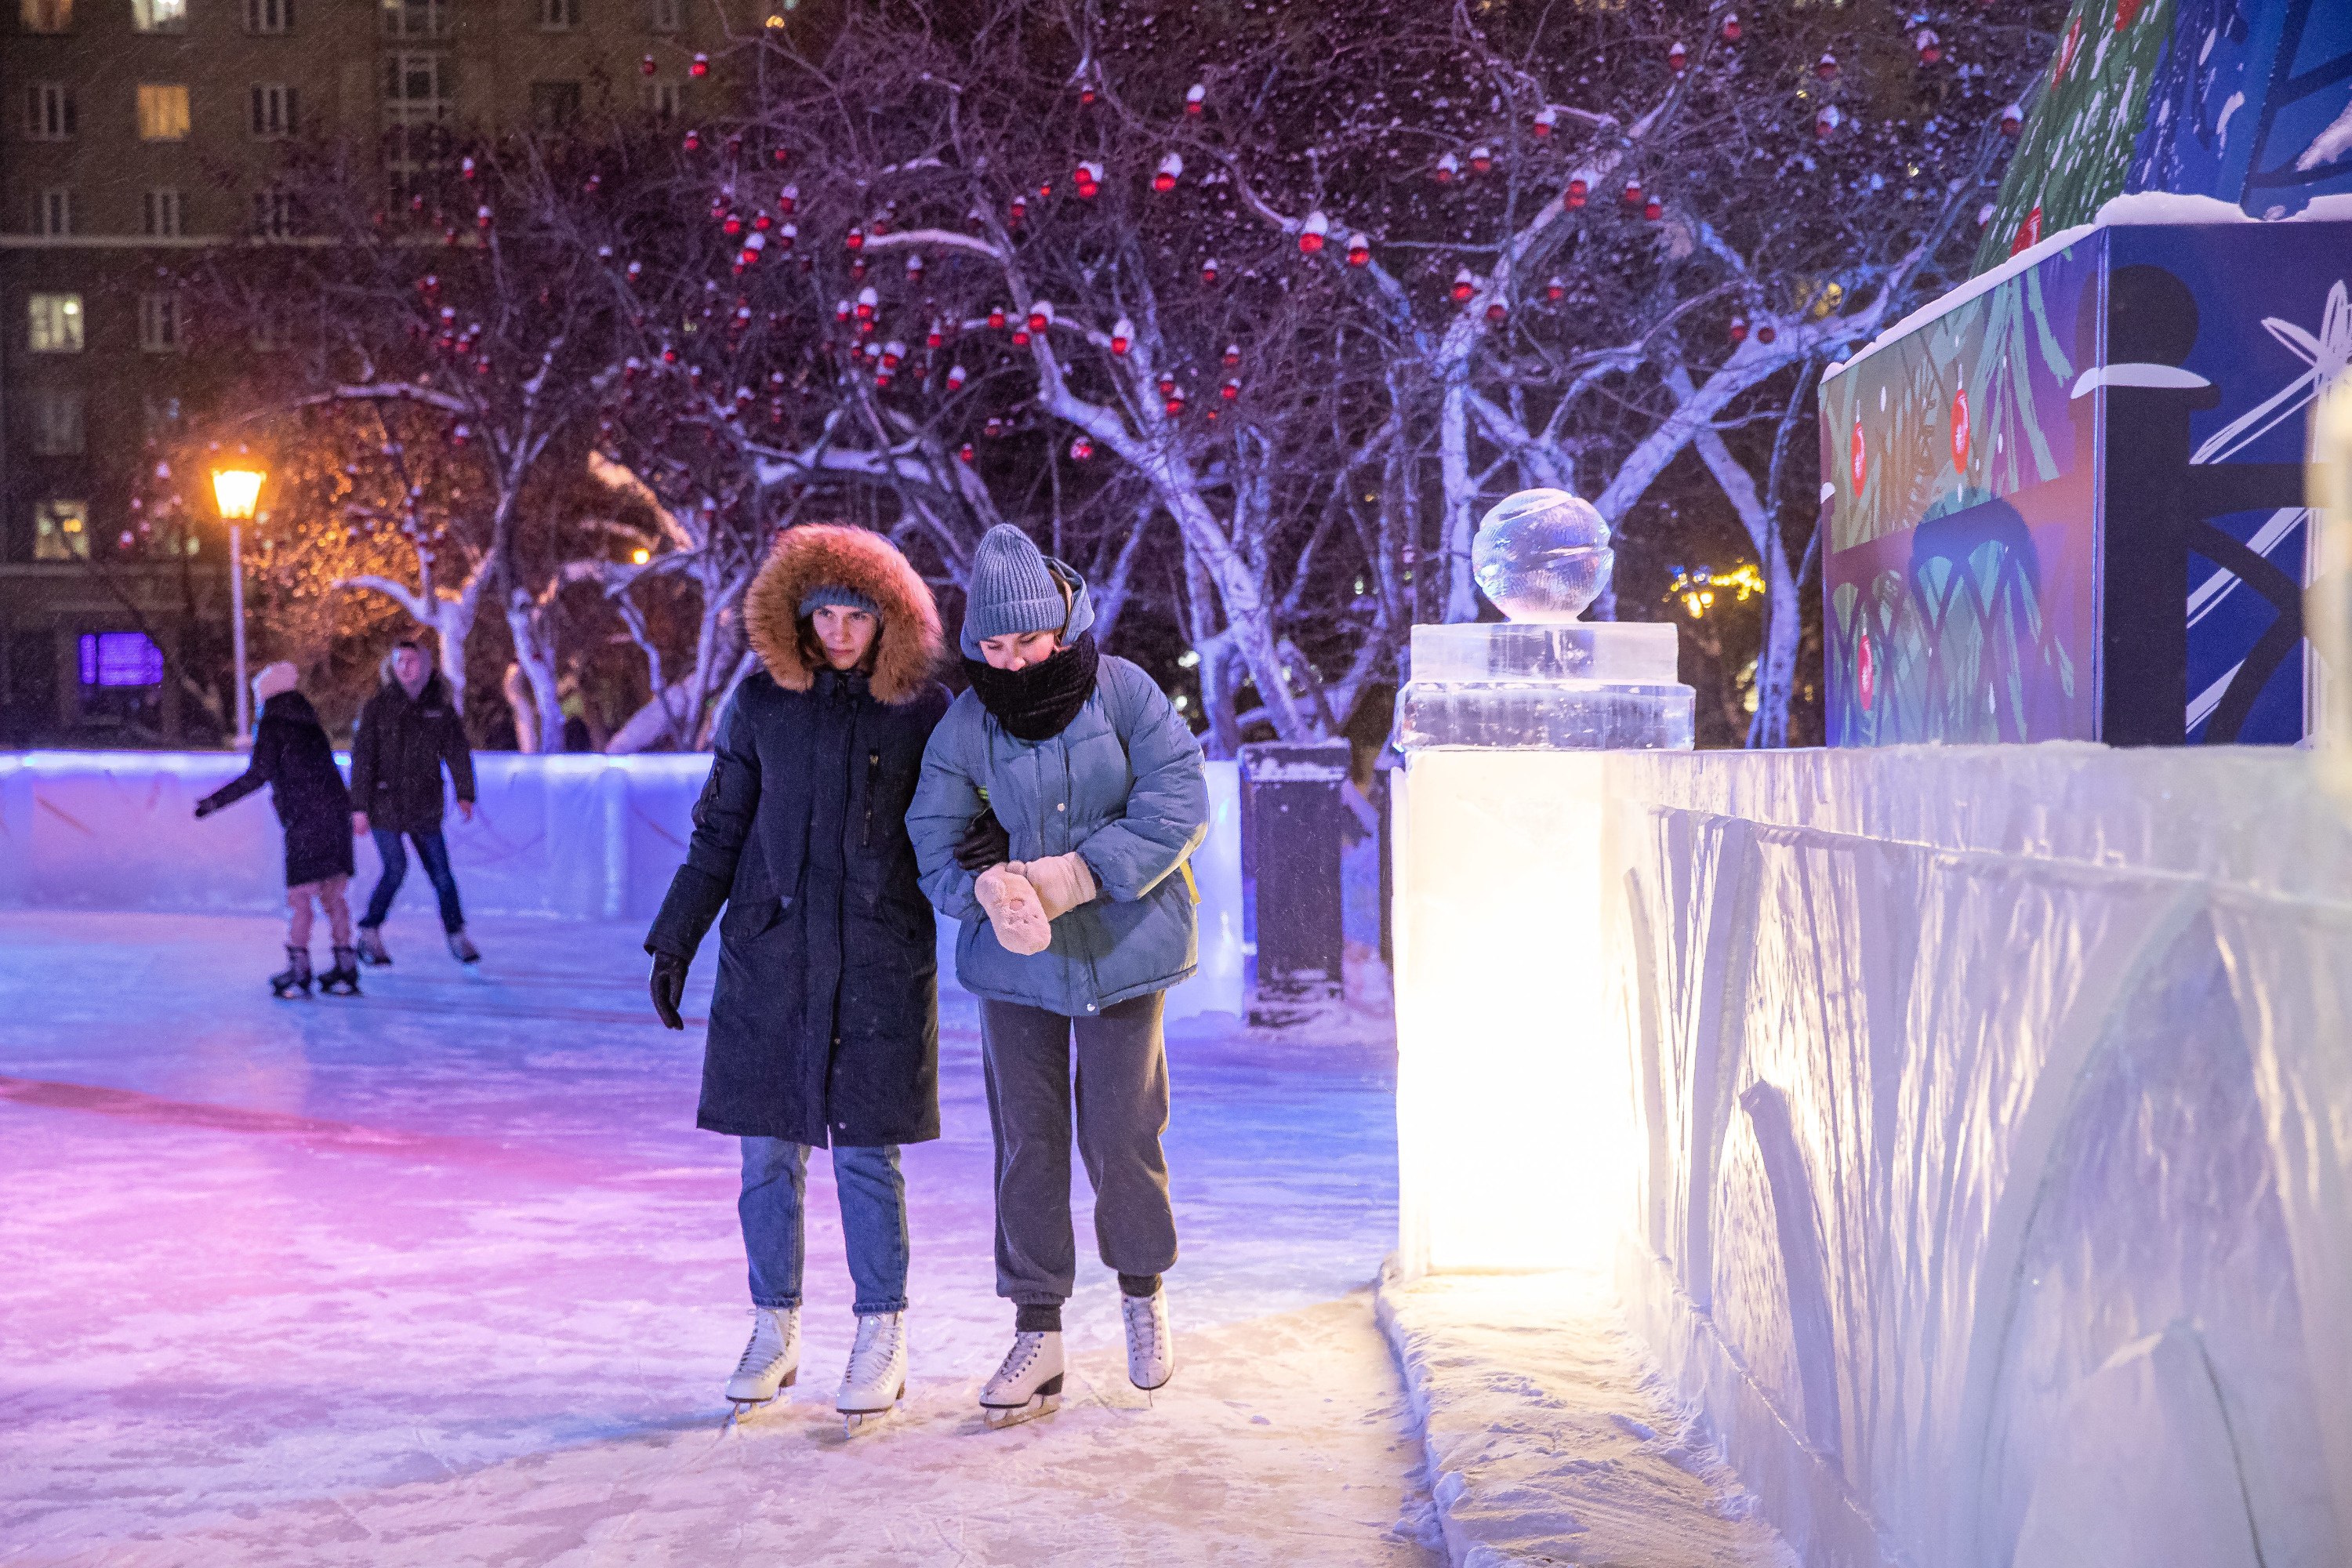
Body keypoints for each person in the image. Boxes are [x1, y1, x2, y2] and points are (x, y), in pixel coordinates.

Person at [642, 524, 950, 1430]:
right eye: (826, 612)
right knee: (768, 1149)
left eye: (859, 612)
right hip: (771, 954)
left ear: (889, 616)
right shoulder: (761, 704)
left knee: (864, 1150)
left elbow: (952, 833)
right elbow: (719, 830)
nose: (842, 631)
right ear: (798, 617)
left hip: (877, 958)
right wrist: (677, 937)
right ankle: (773, 1323)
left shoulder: (923, 712)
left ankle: (881, 1326)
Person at [907, 524, 1210, 1430]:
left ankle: (1142, 1291)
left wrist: (1077, 872)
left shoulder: (1124, 692)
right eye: (991, 646)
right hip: (1016, 965)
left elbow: (1178, 799)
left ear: (1061, 622)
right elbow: (932, 832)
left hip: (1125, 949)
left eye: (1026, 640)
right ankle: (1038, 1331)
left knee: (1123, 1128)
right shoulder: (968, 720)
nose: (1010, 659)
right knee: (1027, 1142)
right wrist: (983, 885)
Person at [194, 662, 361, 999]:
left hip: (305, 821)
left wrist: (214, 802)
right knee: (334, 897)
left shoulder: (272, 724)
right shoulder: (310, 723)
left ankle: (299, 972)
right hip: (335, 816)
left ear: (266, 696)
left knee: (301, 899)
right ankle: (346, 967)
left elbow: (258, 774)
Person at [349, 640, 481, 966]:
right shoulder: (378, 707)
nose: (405, 667)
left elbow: (457, 751)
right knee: (396, 868)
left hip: (423, 804)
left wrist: (465, 792)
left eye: (411, 660)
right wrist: (359, 807)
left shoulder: (440, 708)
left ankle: (457, 933)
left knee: (442, 874)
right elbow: (363, 757)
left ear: (424, 665)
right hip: (384, 804)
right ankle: (369, 932)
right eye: (399, 661)